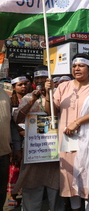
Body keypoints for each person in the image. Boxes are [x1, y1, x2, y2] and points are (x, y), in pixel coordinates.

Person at [45, 53, 89, 211]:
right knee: (70, 172)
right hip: (67, 137)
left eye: (81, 66)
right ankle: (75, 208)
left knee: (88, 171)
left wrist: (77, 122)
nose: (77, 69)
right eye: (74, 66)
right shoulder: (63, 86)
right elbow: (50, 111)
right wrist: (48, 93)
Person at [13, 65, 64, 211]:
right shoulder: (29, 97)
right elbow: (18, 119)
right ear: (34, 80)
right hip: (35, 151)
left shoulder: (59, 95)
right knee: (31, 186)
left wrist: (49, 94)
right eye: (38, 77)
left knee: (55, 188)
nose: (41, 80)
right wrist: (31, 101)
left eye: (44, 77)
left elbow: (51, 113)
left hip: (54, 152)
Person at [8, 76, 28, 206]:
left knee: (25, 169)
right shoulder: (10, 101)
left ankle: (25, 193)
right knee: (14, 169)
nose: (23, 87)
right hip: (16, 140)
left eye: (25, 84)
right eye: (20, 84)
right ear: (14, 87)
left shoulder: (32, 99)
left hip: (29, 139)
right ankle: (12, 194)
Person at [0, 88, 21, 208]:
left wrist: (17, 147)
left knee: (1, 192)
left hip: (3, 153)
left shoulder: (4, 94)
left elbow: (10, 123)